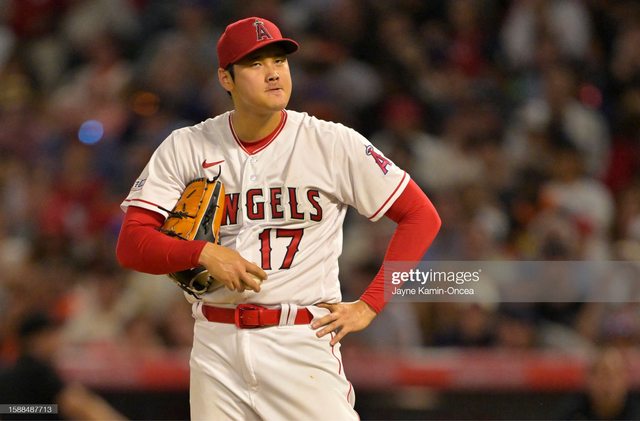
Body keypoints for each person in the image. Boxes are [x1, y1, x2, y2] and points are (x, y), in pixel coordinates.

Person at [116, 16, 440, 420]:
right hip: (216, 345)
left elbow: (421, 217)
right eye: (256, 64)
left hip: (300, 341)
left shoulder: (330, 142)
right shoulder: (187, 146)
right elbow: (131, 245)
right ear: (226, 78)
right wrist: (203, 253)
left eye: (279, 61)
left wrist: (370, 305)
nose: (273, 73)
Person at [0, 312, 127, 420]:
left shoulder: (8, 373)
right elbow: (78, 406)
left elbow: (9, 410)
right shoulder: (38, 371)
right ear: (37, 339)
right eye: (52, 335)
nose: (58, 341)